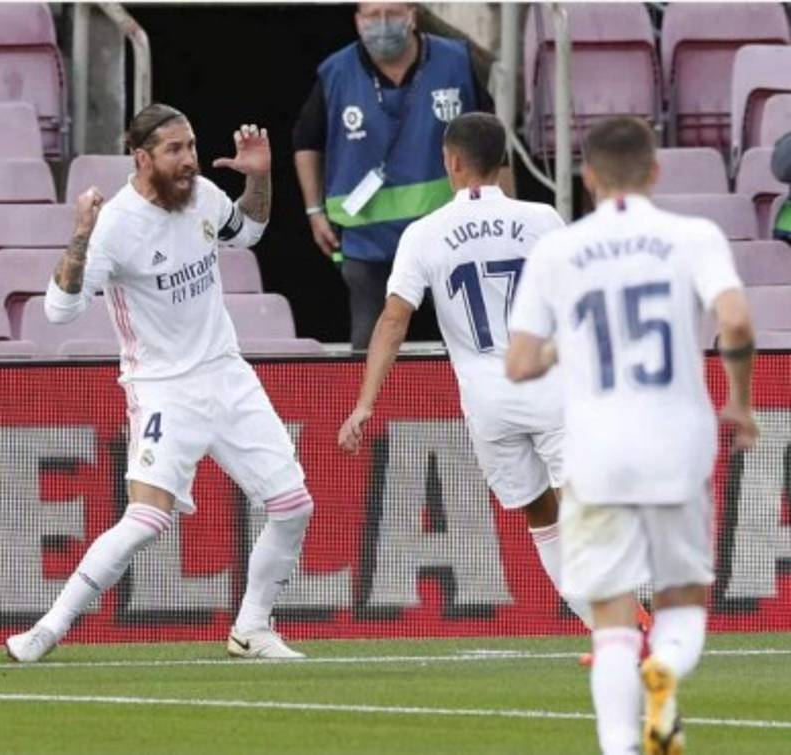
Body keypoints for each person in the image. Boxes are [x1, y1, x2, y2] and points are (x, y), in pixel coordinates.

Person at [6, 104, 313, 663]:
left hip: (226, 372)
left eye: (191, 146)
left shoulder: (202, 196)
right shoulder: (117, 226)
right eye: (175, 150)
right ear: (141, 157)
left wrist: (260, 177)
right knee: (147, 519)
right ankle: (47, 629)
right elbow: (59, 311)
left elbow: (249, 231)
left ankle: (252, 628)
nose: (189, 160)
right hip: (164, 387)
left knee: (293, 504)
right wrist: (80, 237)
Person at [506, 116, 758, 755]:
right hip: (678, 442)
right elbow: (734, 318)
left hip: (597, 452)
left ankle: (619, 747)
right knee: (682, 599)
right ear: (655, 171)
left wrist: (569, 346)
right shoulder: (692, 235)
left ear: (587, 177)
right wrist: (741, 402)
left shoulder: (559, 250)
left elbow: (518, 363)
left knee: (613, 618)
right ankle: (667, 667)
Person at [337, 112, 598, 634]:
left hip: (487, 400)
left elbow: (393, 318)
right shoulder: (543, 218)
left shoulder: (424, 233)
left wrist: (365, 402)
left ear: (451, 161)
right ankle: (631, 620)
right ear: (503, 161)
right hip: (548, 383)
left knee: (541, 518)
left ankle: (605, 627)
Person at [293, 2, 495, 349]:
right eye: (373, 15)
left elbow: (491, 139)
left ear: (413, 17)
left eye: (393, 13)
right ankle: (370, 405)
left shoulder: (455, 61)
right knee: (369, 343)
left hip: (447, 232)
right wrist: (314, 212)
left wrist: (498, 207)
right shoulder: (335, 72)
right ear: (357, 22)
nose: (383, 23)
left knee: (470, 339)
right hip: (366, 238)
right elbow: (306, 141)